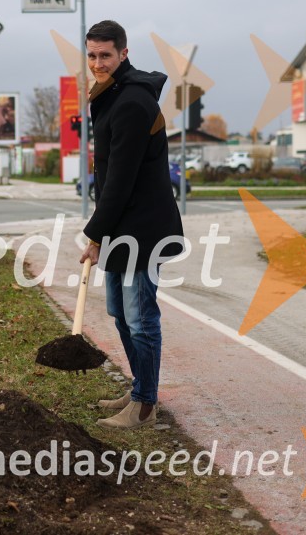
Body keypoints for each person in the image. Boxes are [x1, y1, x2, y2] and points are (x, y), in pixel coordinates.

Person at [78, 21, 184, 430]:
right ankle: (142, 386)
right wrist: (103, 233)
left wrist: (94, 234)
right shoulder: (111, 95)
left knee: (140, 316)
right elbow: (110, 176)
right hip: (124, 224)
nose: (97, 62)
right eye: (91, 55)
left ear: (124, 53)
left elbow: (120, 178)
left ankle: (144, 405)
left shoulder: (132, 102)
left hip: (144, 228)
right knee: (119, 312)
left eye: (105, 55)